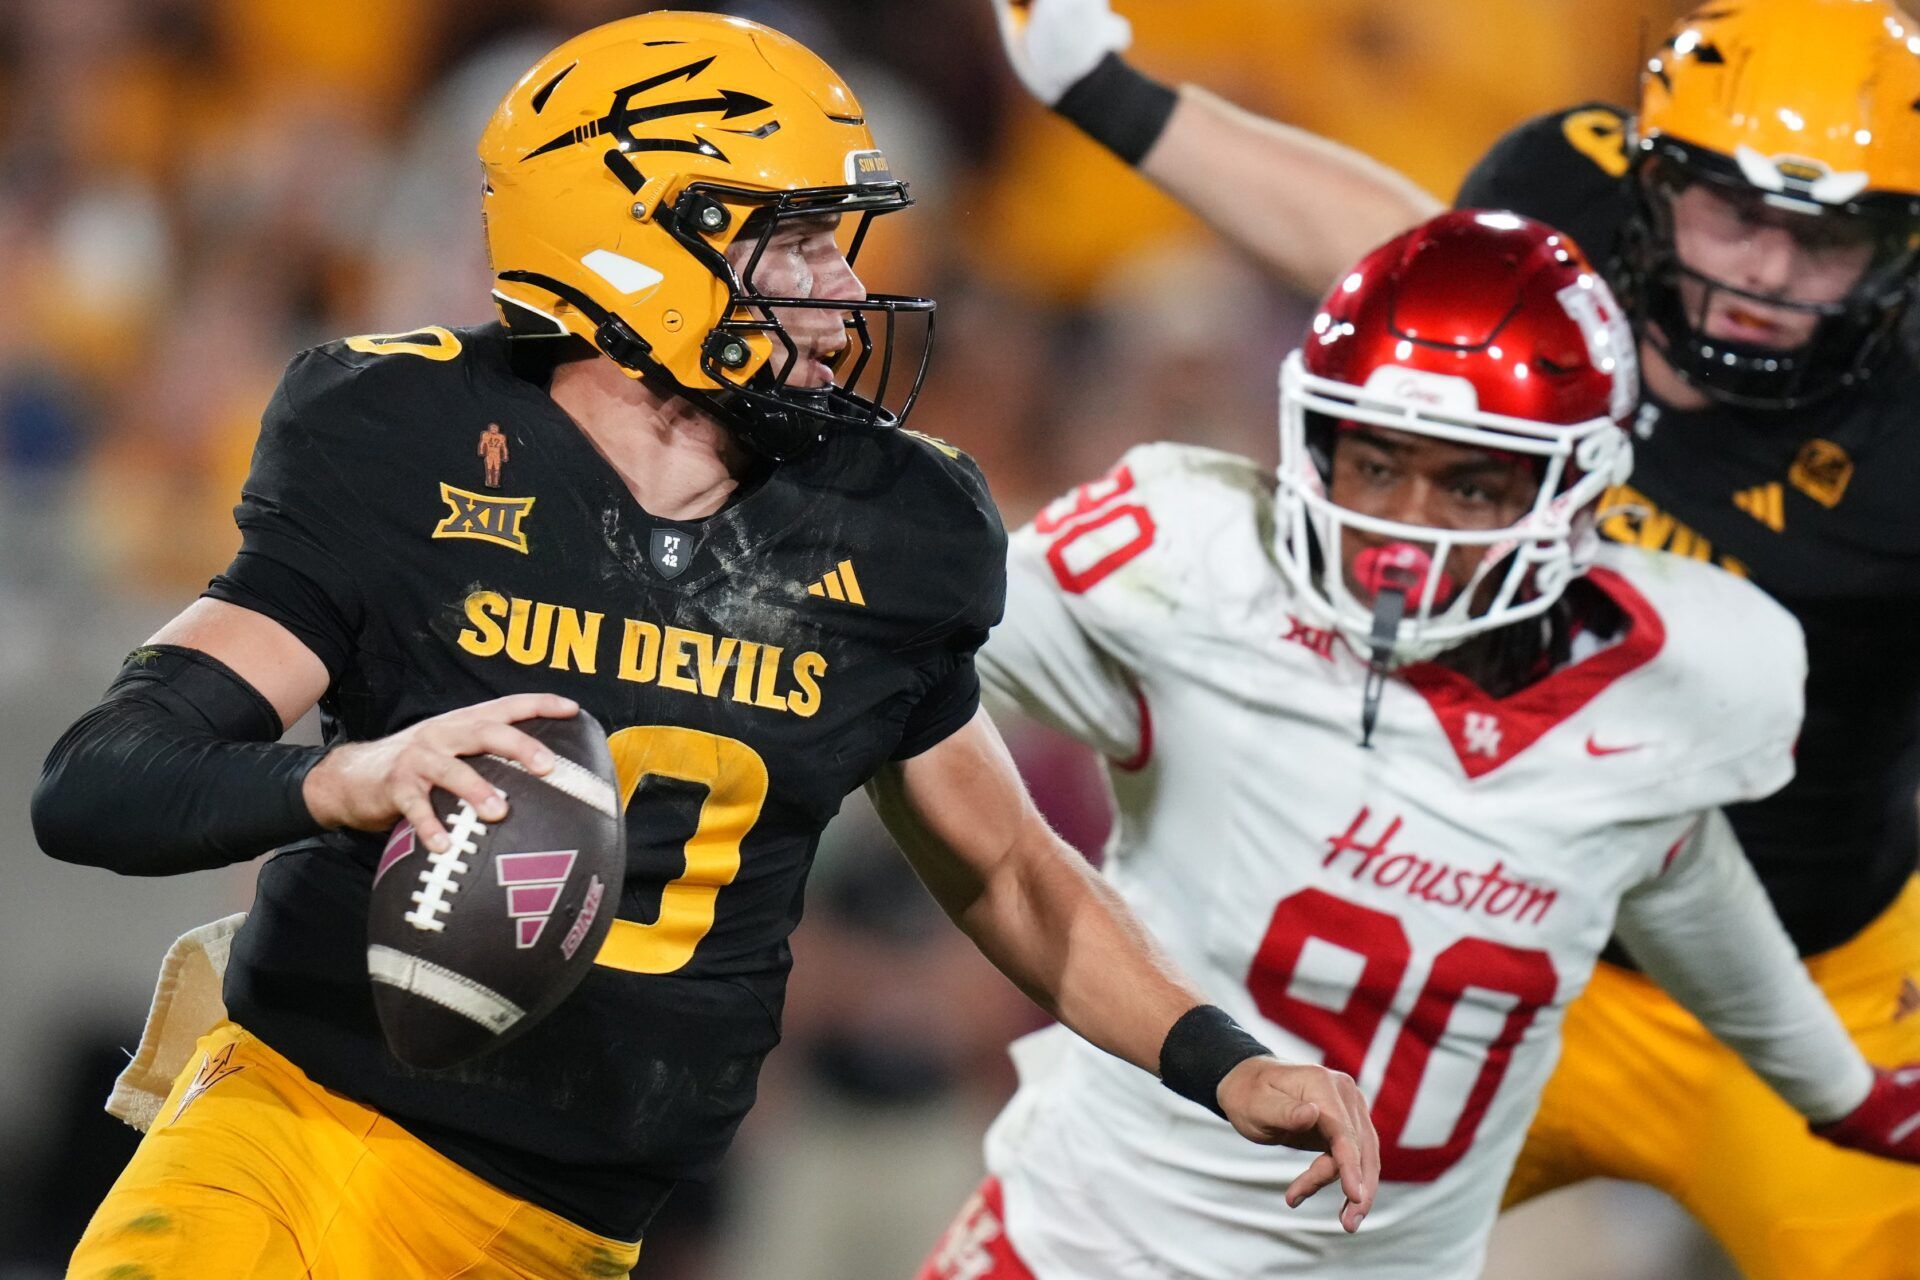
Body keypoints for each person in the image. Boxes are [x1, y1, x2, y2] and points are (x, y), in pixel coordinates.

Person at [32, 14, 1380, 1278]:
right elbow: (103, 779)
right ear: (627, 243)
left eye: (838, 241)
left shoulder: (889, 522)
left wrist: (1219, 1061)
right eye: (793, 243)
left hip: (585, 1228)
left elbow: (1011, 873)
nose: (844, 289)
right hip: (298, 1141)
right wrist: (343, 778)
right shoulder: (412, 438)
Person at [988, 0, 1920, 1271]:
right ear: (1650, 181)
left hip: (1819, 969)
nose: (1763, 273)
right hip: (1474, 942)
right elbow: (1387, 251)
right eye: (1734, 213)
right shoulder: (1561, 198)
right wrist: (1106, 93)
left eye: (1827, 239)